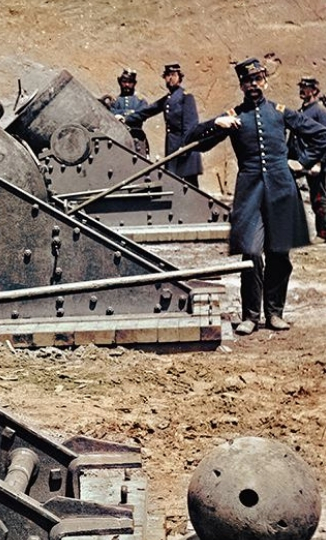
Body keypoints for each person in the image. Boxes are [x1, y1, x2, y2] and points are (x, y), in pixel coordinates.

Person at [187, 58, 326, 335]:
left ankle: (274, 313)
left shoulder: (280, 112)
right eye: (248, 81)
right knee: (251, 252)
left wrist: (303, 161)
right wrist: (218, 122)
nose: (253, 85)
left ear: (265, 81)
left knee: (279, 253)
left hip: (282, 190)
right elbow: (194, 140)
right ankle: (250, 315)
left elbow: (321, 135)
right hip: (249, 193)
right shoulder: (234, 116)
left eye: (258, 79)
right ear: (241, 85)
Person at [120, 63, 201, 186]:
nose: (170, 79)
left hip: (185, 149)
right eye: (167, 76)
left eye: (173, 75)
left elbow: (190, 126)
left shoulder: (186, 97)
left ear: (179, 77)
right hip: (172, 147)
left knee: (191, 187)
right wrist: (126, 119)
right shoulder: (168, 99)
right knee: (174, 184)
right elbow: (148, 111)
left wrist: (184, 148)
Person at [292, 76, 326, 239]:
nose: (302, 90)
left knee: (320, 199)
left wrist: (319, 162)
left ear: (313, 90)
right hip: (304, 162)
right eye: (301, 86)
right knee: (313, 199)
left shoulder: (319, 111)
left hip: (317, 164)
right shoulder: (302, 111)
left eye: (305, 87)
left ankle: (324, 234)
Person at [108, 68, 150, 156]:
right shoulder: (114, 102)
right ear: (120, 82)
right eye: (124, 82)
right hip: (118, 140)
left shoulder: (140, 101)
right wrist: (131, 112)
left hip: (137, 138)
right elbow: (110, 114)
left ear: (134, 83)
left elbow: (142, 115)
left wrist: (122, 115)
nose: (127, 85)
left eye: (130, 82)